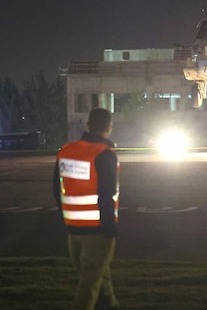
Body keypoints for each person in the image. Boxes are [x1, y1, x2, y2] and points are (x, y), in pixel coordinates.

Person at [53, 108, 120, 310]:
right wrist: (110, 229)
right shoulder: (105, 155)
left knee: (98, 273)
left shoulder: (65, 151)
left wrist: (70, 216)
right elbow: (106, 194)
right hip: (98, 231)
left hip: (73, 230)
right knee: (88, 285)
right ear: (109, 128)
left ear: (87, 125)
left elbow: (57, 190)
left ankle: (110, 305)